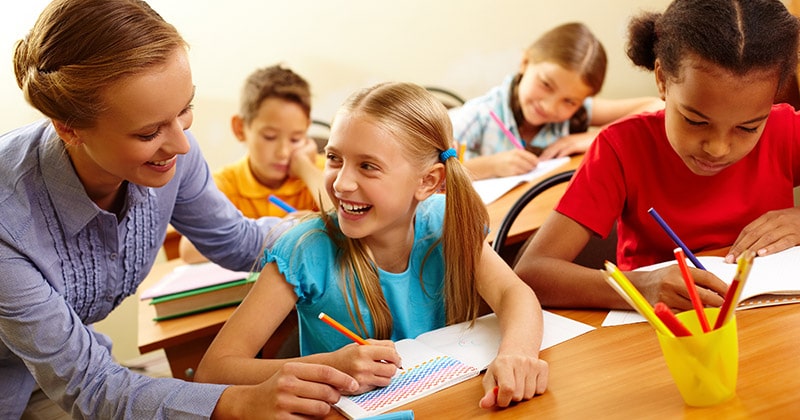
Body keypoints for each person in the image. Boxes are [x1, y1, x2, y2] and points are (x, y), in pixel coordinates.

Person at [0, 0, 359, 418]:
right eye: (149, 131)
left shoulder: (171, 153)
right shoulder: (10, 223)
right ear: (69, 127)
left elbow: (238, 241)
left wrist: (345, 221)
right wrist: (242, 400)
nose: (181, 145)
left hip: (63, 371)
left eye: (185, 109)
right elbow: (90, 385)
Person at [194, 82, 549, 409]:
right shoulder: (305, 248)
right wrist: (330, 365)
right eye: (334, 158)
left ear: (427, 181)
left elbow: (512, 294)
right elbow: (216, 369)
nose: (343, 183)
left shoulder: (446, 222)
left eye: (367, 166)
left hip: (450, 403)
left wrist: (517, 354)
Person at [514, 0, 800, 312]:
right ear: (662, 79)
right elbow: (532, 272)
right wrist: (643, 287)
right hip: (658, 336)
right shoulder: (621, 148)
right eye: (695, 121)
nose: (718, 148)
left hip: (772, 327)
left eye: (747, 127)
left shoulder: (785, 130)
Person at [450, 22, 663, 180]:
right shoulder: (480, 114)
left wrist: (590, 138)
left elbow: (657, 107)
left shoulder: (578, 112)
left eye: (569, 101)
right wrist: (490, 166)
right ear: (525, 62)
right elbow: (426, 170)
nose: (550, 107)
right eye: (546, 85)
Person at [179, 64, 330, 263]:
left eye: (295, 138)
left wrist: (306, 169)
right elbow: (188, 251)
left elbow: (346, 222)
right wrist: (281, 230)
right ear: (240, 128)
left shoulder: (319, 174)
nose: (283, 152)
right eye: (269, 137)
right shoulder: (226, 183)